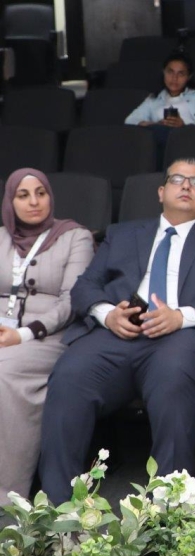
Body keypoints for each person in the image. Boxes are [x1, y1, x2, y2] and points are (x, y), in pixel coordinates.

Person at [38, 158, 195, 505]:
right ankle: (56, 508)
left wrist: (181, 317)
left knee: (174, 378)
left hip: (179, 338)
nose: (185, 186)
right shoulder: (122, 234)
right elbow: (84, 288)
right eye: (177, 179)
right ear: (161, 192)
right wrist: (108, 315)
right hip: (114, 335)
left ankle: (170, 505)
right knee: (69, 376)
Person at [0, 169, 94, 505]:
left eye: (40, 193)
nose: (34, 202)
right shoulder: (0, 237)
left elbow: (72, 300)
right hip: (3, 334)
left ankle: (7, 494)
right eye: (23, 195)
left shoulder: (75, 237)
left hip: (48, 337)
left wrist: (24, 333)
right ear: (10, 201)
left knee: (4, 371)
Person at [124, 51, 195, 128]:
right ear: (163, 72)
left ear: (189, 77)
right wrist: (156, 125)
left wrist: (184, 126)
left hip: (191, 140)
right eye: (170, 72)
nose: (174, 78)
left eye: (181, 74)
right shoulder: (153, 99)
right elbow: (130, 120)